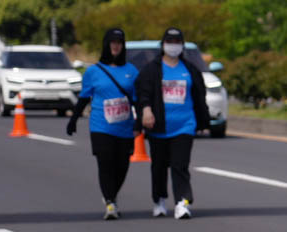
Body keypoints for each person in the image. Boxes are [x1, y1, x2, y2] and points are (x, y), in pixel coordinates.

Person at [134, 28, 210, 220]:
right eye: (170, 41)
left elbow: (200, 96)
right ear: (163, 44)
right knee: (159, 166)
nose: (173, 45)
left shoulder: (190, 70)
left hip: (184, 126)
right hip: (159, 128)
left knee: (180, 165)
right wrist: (146, 110)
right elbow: (142, 93)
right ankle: (159, 200)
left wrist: (203, 120)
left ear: (182, 45)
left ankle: (182, 202)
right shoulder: (152, 69)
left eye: (177, 41)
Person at [67, 28, 139, 220]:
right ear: (106, 45)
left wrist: (139, 123)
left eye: (119, 42)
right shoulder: (93, 72)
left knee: (122, 166)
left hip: (124, 127)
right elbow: (83, 98)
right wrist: (73, 120)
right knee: (105, 163)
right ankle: (110, 202)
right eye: (112, 42)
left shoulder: (132, 71)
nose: (116, 46)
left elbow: (138, 100)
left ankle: (111, 196)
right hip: (101, 126)